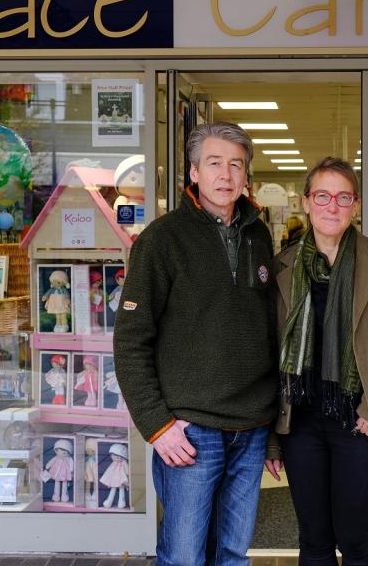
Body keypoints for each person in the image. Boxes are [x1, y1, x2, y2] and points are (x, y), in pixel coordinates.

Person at [113, 122, 277, 566]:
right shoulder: (161, 241)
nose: (226, 175)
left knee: (232, 553)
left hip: (251, 427)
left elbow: (270, 333)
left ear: (246, 176)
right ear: (194, 172)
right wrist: (157, 425)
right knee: (184, 556)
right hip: (190, 431)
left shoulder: (258, 235)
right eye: (215, 163)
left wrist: (274, 432)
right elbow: (130, 342)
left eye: (236, 165)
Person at [265, 157, 368, 566]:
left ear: (355, 205)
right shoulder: (283, 267)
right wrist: (271, 437)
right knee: (314, 540)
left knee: (354, 539)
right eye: (322, 195)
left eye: (343, 197)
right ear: (306, 202)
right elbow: (269, 355)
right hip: (301, 425)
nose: (331, 206)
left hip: (361, 421)